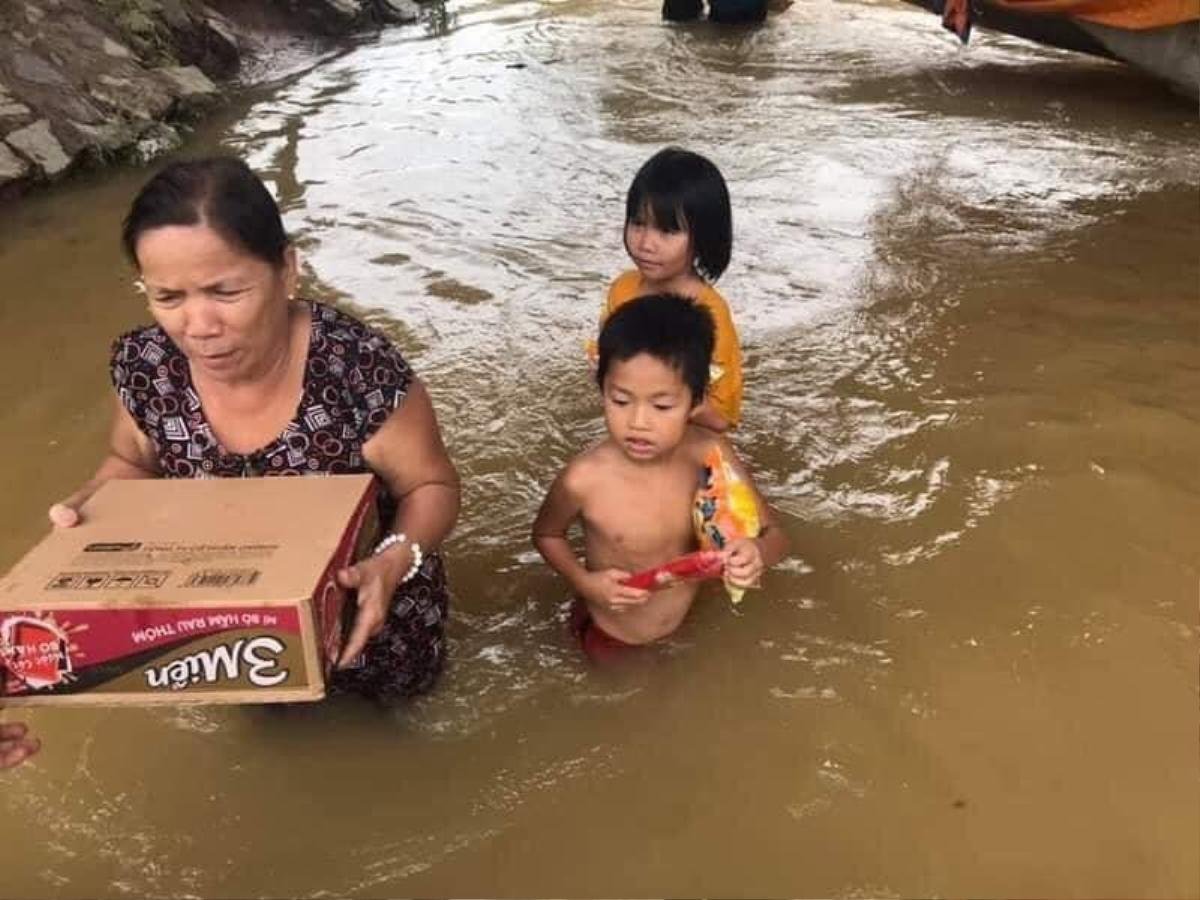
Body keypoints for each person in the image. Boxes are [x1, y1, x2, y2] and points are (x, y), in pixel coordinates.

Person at [48, 157, 460, 702]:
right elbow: (132, 461)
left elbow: (431, 487)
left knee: (404, 732)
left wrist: (394, 560)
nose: (198, 326)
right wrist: (91, 509)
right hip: (236, 628)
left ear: (287, 270)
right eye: (168, 298)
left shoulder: (357, 368)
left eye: (225, 292)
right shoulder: (145, 366)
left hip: (375, 615)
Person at [536, 295, 787, 657]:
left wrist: (756, 553)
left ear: (696, 401)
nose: (639, 422)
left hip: (687, 622)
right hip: (613, 634)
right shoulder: (584, 478)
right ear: (602, 388)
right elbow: (546, 533)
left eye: (662, 405)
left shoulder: (710, 455)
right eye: (620, 400)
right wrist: (585, 583)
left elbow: (776, 536)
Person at [593, 147, 743, 433]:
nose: (646, 243)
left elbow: (722, 419)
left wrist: (670, 401)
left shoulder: (712, 317)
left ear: (703, 237)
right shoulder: (622, 290)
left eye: (667, 231)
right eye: (638, 223)